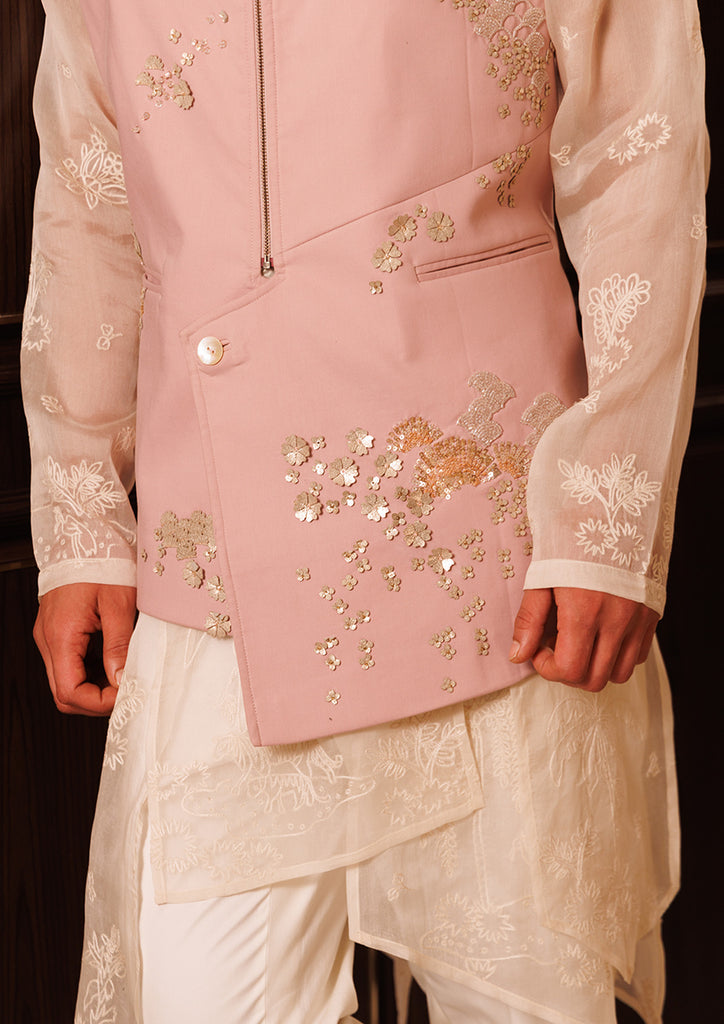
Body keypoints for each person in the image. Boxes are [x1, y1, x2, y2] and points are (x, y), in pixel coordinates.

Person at [22, 1, 707, 1022]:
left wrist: (608, 512)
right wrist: (80, 512)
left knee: (523, 999)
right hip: (217, 565)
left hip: (490, 553)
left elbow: (637, 146)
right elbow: (91, 191)